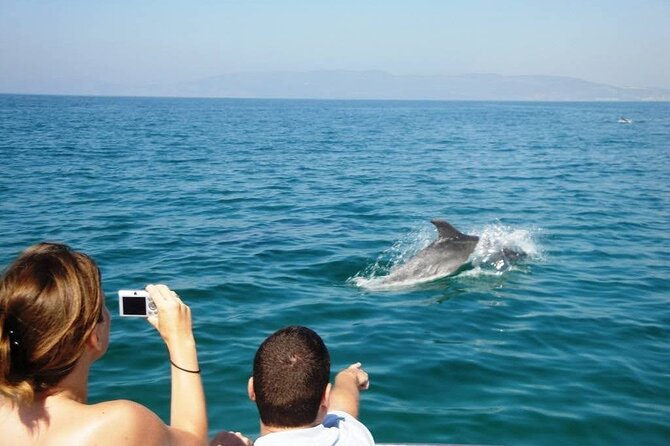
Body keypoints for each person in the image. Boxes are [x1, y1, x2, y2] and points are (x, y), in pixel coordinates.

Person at [0, 243, 208, 446]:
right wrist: (181, 338)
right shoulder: (120, 425)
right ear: (93, 336)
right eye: (103, 306)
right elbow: (193, 441)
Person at [211, 325, 375, 446]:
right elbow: (345, 404)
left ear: (252, 390)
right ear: (326, 397)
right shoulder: (353, 438)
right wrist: (348, 376)